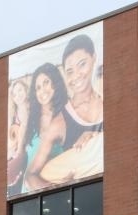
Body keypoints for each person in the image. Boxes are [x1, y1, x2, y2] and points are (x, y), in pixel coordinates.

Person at [39, 34, 104, 186]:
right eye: (69, 71)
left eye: (82, 64)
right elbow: (33, 174)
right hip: (81, 195)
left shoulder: (109, 99)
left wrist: (96, 135)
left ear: (94, 58)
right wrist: (60, 190)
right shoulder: (60, 122)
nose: (76, 75)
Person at [21, 62, 69, 192]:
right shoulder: (31, 120)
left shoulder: (67, 114)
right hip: (29, 191)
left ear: (55, 82)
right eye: (38, 87)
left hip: (57, 189)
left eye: (46, 82)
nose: (42, 90)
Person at [6, 77, 30, 196]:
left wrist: (19, 151)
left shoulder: (26, 109)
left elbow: (23, 133)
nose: (18, 95)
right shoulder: (17, 109)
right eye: (14, 94)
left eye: (20, 90)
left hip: (23, 150)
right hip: (15, 150)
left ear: (26, 90)